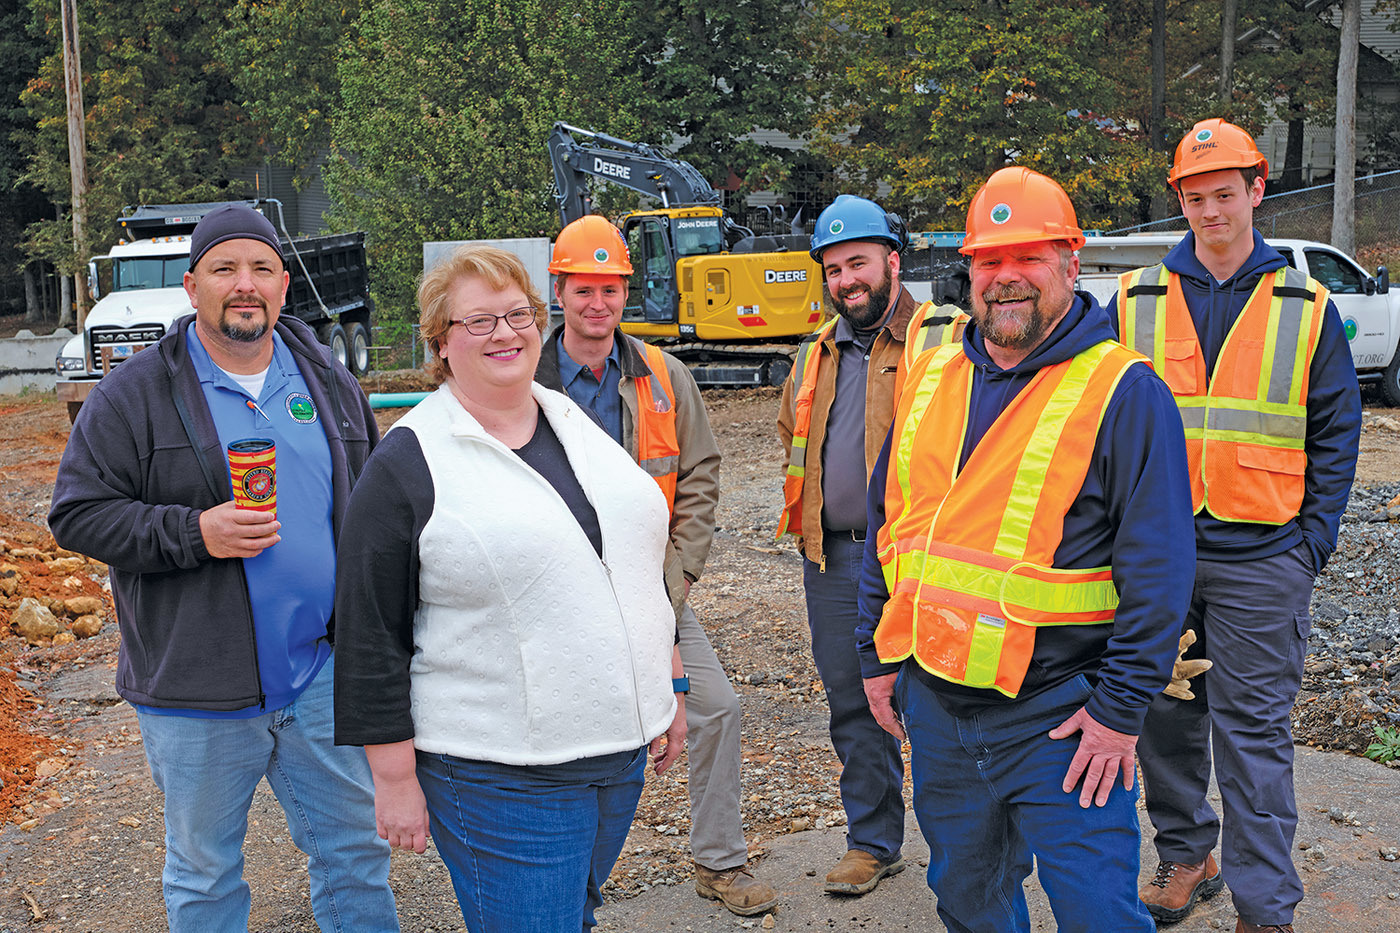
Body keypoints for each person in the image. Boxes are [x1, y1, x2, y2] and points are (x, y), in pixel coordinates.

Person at [856, 166, 1196, 931]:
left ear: (1072, 263)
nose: (1005, 276)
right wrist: (874, 656)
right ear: (969, 270)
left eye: (1028, 256)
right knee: (969, 903)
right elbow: (889, 527)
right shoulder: (933, 376)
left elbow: (1161, 572)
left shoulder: (1124, 391)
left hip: (1063, 719)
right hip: (937, 708)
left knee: (1099, 914)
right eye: (989, 259)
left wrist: (1118, 712)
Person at [47, 204, 396, 933]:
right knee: (205, 875)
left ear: (283, 286)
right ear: (192, 285)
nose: (245, 284)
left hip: (319, 675)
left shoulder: (326, 379)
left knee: (356, 852)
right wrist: (194, 531)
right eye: (225, 269)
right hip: (197, 688)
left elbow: (368, 504)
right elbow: (76, 513)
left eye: (262, 268)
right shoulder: (135, 393)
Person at [332, 244, 687, 933]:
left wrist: (666, 678)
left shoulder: (568, 420)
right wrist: (394, 778)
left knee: (572, 915)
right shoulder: (410, 460)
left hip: (615, 754)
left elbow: (630, 559)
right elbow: (368, 630)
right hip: (502, 770)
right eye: (479, 321)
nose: (505, 332)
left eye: (518, 314)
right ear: (441, 342)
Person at [1110, 118, 1362, 933]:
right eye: (1195, 198)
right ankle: (1188, 855)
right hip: (1159, 558)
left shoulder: (1305, 304)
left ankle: (1266, 909)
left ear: (1257, 190)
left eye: (1225, 193)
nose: (1211, 211)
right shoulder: (1135, 301)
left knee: (1254, 738)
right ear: (1179, 201)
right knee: (1163, 720)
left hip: (1263, 558)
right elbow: (1097, 422)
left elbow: (1337, 430)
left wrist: (1310, 544)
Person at [533, 215, 778, 917]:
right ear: (559, 291)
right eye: (584, 290)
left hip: (650, 587)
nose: (598, 303)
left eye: (610, 289)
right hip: (552, 594)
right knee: (560, 736)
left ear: (625, 292)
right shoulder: (524, 377)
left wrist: (680, 579)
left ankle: (718, 860)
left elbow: (699, 474)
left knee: (717, 707)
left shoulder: (663, 376)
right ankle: (561, 889)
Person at [776, 194, 963, 895]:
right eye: (833, 269)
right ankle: (873, 841)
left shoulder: (944, 340)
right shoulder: (814, 353)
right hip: (833, 559)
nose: (846, 280)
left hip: (922, 557)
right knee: (855, 705)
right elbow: (793, 437)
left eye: (858, 262)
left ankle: (962, 851)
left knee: (940, 700)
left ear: (893, 259)